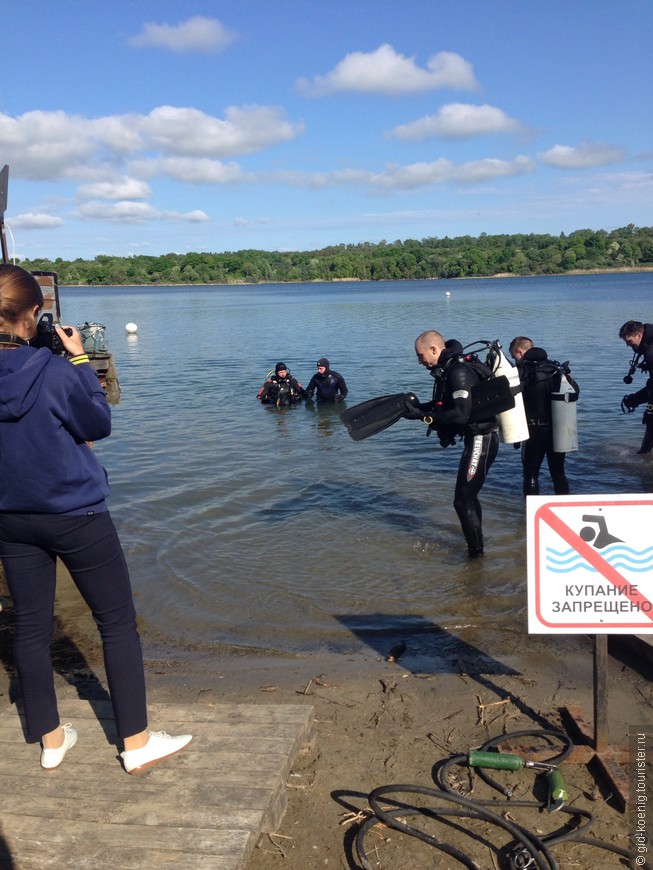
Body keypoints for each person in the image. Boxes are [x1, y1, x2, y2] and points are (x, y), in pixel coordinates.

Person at [0, 263, 191, 774]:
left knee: (32, 627)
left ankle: (52, 738)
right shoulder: (55, 369)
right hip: (75, 514)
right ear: (34, 313)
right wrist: (81, 357)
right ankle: (136, 743)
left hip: (11, 517)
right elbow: (98, 422)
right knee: (116, 624)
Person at [406, 330, 499, 558]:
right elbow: (443, 406)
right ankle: (478, 547)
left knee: (462, 500)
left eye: (420, 355)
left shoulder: (459, 373)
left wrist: (424, 417)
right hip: (475, 439)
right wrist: (419, 409)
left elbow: (459, 415)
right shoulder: (450, 371)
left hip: (481, 439)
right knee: (467, 498)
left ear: (434, 349)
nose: (420, 361)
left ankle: (476, 558)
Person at [509, 336, 579, 495]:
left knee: (531, 473)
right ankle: (564, 508)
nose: (516, 360)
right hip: (559, 429)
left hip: (534, 431)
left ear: (520, 351)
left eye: (514, 356)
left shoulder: (522, 372)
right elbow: (575, 393)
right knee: (558, 472)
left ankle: (529, 514)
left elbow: (511, 401)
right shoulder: (556, 369)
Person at [619, 320, 653, 454]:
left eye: (629, 341)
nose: (628, 345)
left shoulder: (651, 353)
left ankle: (642, 458)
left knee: (651, 419)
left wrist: (637, 399)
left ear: (639, 335)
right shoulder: (647, 343)